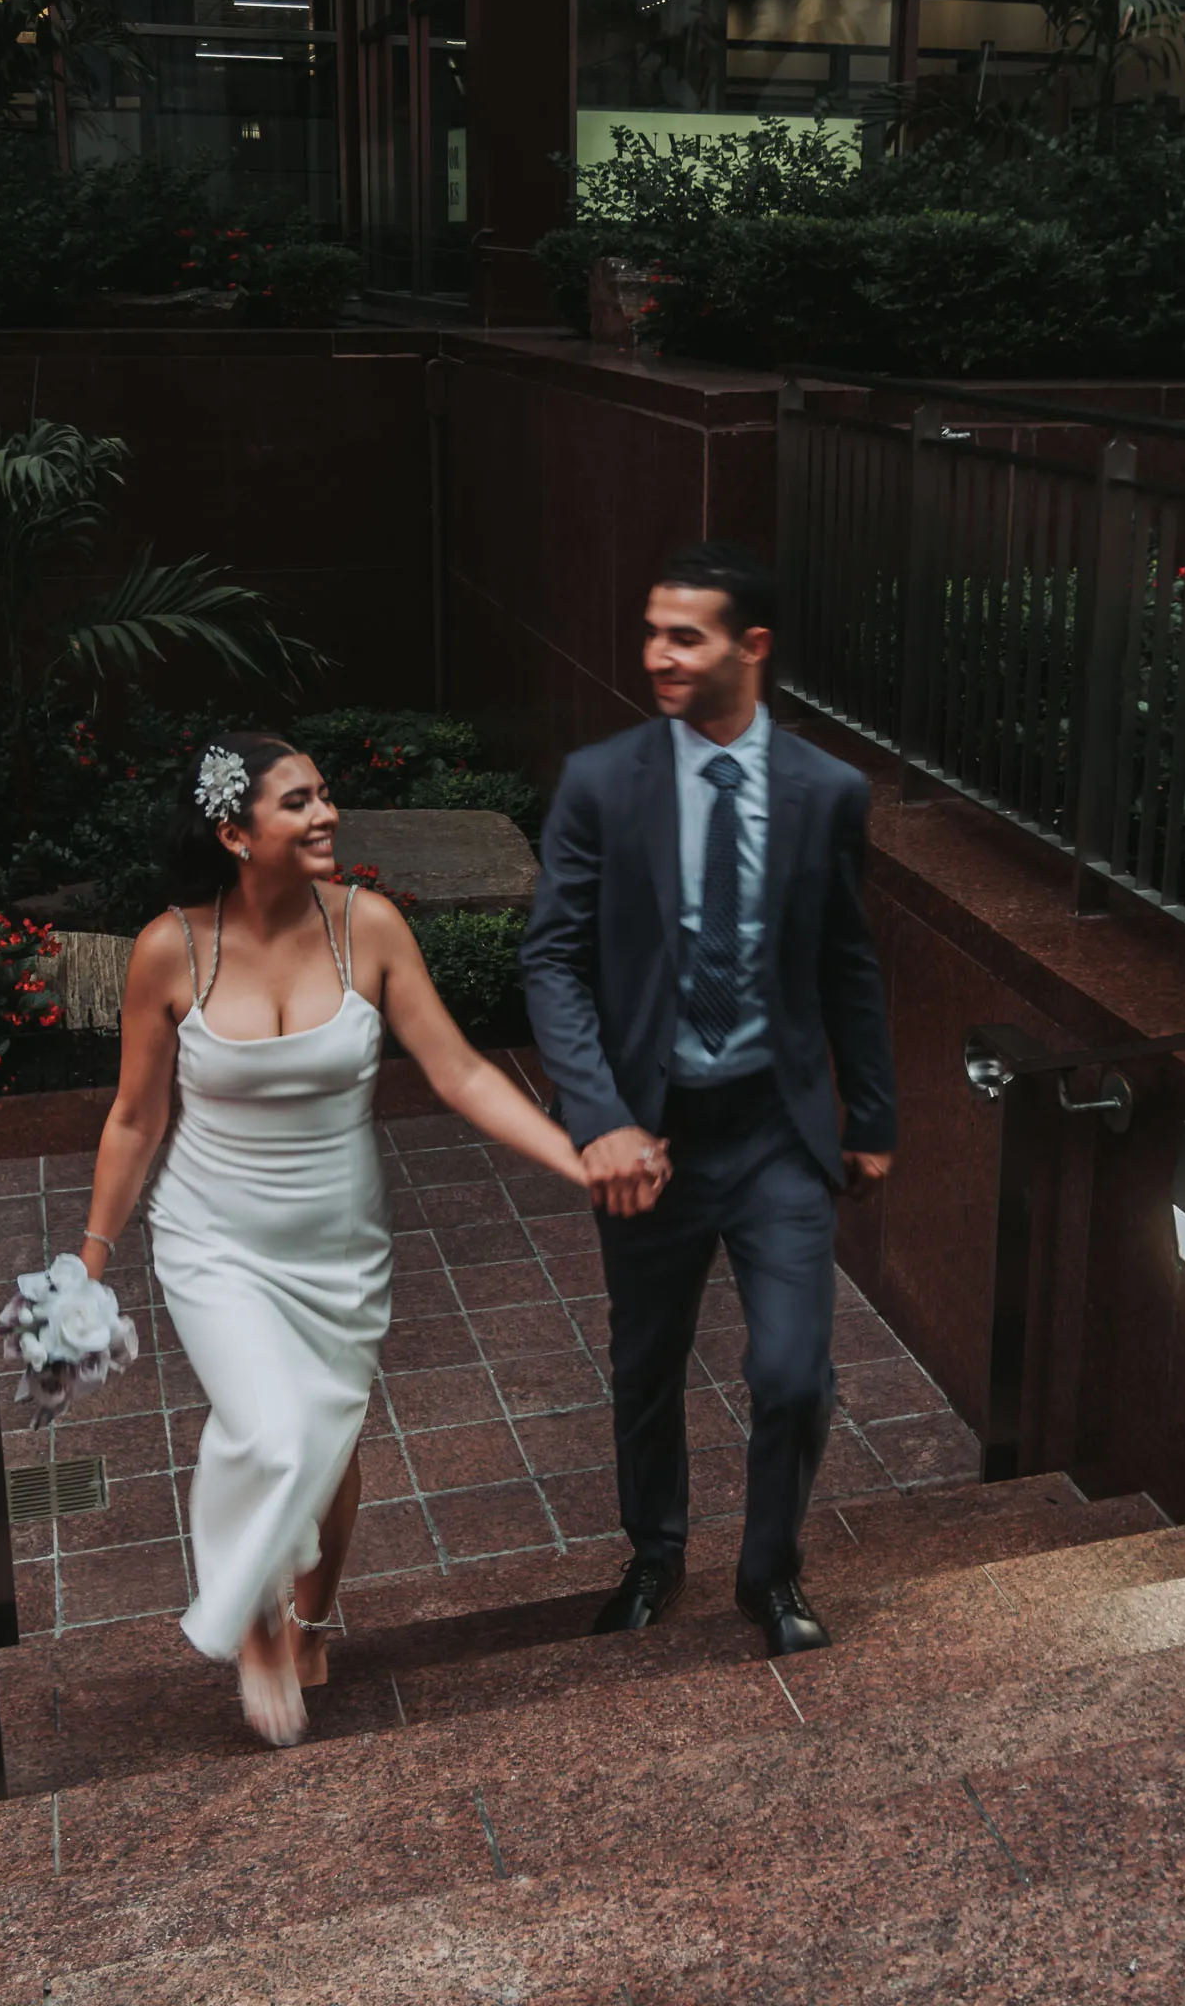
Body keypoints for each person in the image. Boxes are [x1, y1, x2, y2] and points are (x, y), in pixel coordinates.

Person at [78, 730, 592, 1747]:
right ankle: (255, 1619)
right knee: (270, 1430)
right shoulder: (169, 948)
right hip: (212, 1236)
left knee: (331, 1445)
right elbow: (137, 1118)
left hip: (339, 1248)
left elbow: (464, 1073)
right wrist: (90, 1259)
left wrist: (580, 1163)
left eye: (325, 796)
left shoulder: (373, 928)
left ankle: (312, 1619)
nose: (327, 816)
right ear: (234, 832)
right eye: (299, 803)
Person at [521, 541, 897, 1658]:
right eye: (650, 632)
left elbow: (847, 963)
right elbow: (553, 962)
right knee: (647, 1360)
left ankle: (769, 1576)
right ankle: (654, 1549)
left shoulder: (826, 792)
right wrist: (603, 1119)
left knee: (792, 1372)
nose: (658, 656)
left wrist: (869, 1118)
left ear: (753, 647)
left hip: (777, 1133)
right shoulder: (603, 782)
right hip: (652, 1133)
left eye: (684, 635)